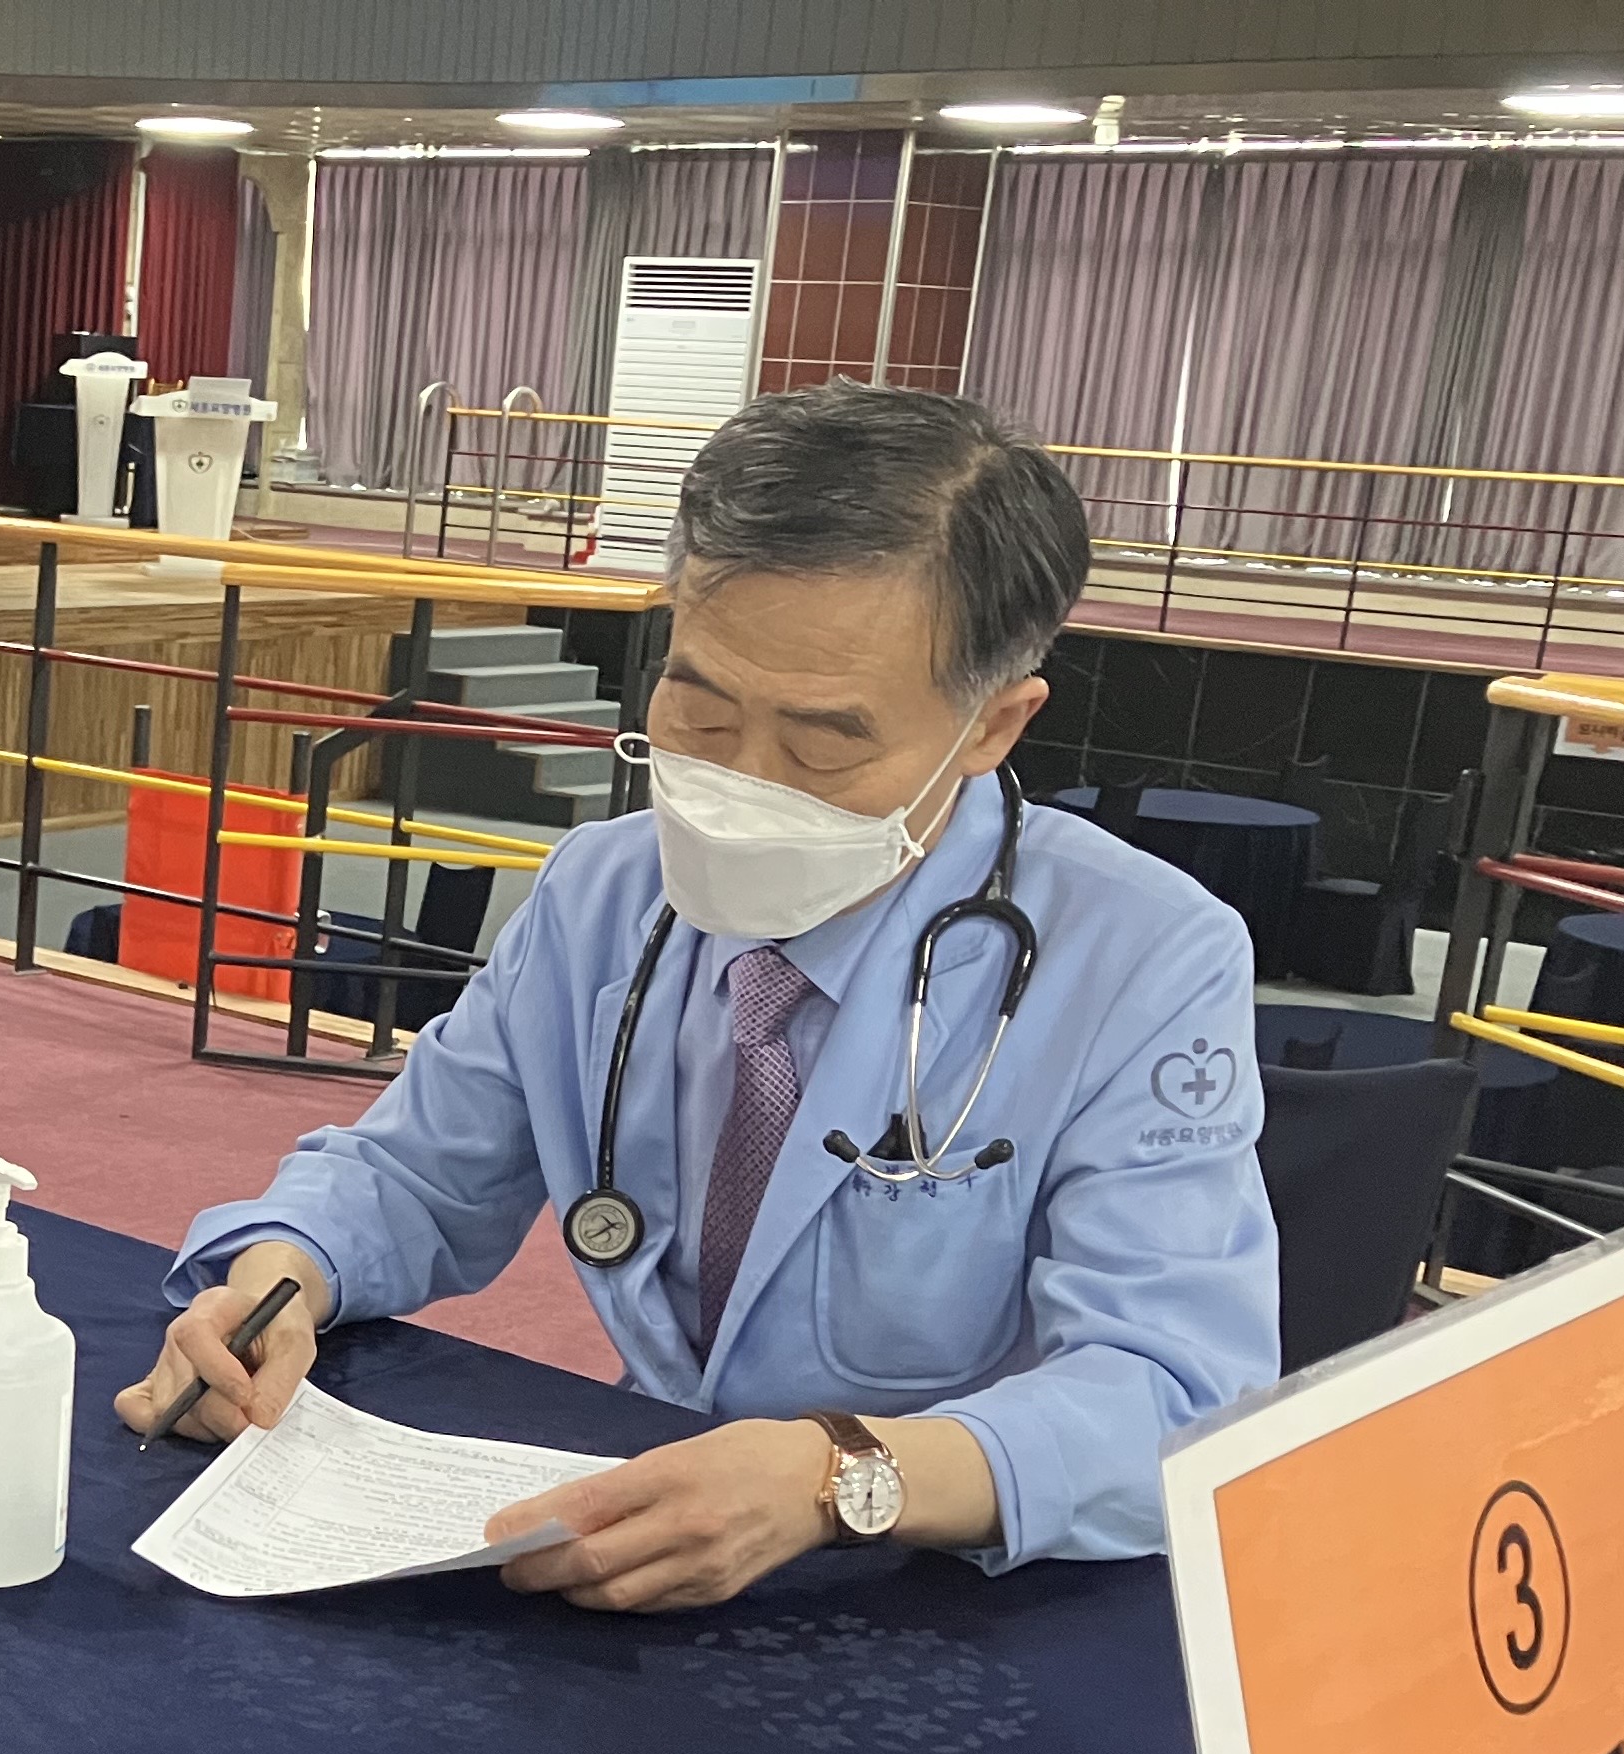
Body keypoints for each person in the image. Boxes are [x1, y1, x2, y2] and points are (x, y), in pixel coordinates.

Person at [116, 384, 1279, 1603]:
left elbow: (1179, 1393)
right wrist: (280, 1277)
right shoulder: (603, 891)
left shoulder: (1145, 956)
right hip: (652, 1535)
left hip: (951, 1583)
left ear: (993, 727)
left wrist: (839, 1477)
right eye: (700, 710)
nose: (740, 786)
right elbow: (414, 1177)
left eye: (823, 745)